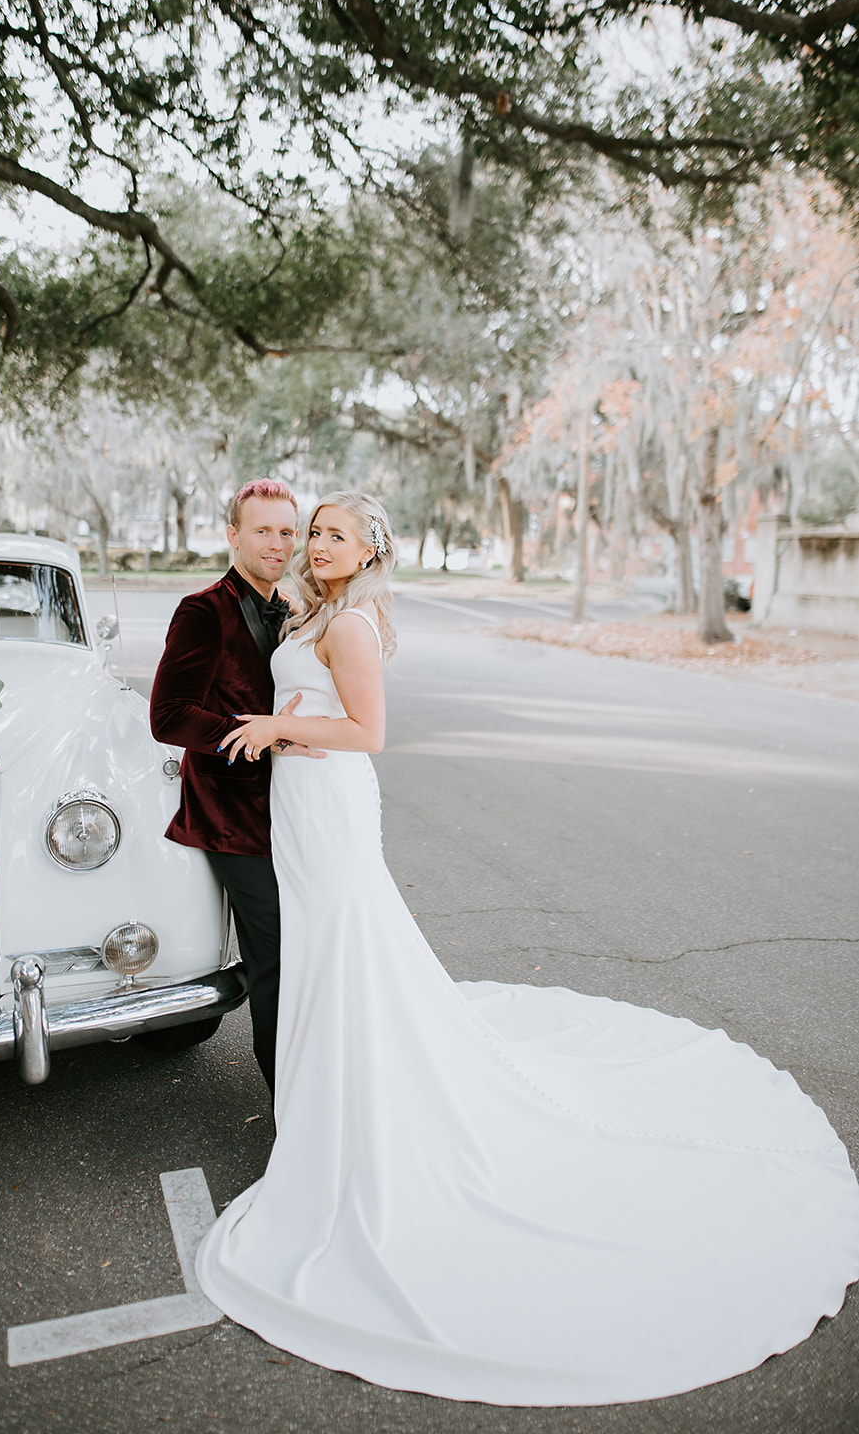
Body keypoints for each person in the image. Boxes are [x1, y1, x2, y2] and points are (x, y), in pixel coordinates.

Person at [194, 490, 859, 1408]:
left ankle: (355, 1116)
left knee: (350, 953)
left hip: (333, 803)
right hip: (300, 813)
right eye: (314, 531)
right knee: (323, 960)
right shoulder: (312, 610)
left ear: (368, 551)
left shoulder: (350, 622)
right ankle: (321, 1104)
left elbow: (370, 734)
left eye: (333, 534)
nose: (316, 542)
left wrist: (277, 728)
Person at [150, 478, 321, 1098]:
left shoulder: (297, 607)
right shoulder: (203, 610)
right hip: (233, 815)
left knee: (311, 947)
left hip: (297, 807)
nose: (277, 544)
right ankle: (289, 1103)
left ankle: (316, 1081)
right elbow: (168, 716)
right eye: (262, 530)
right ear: (233, 536)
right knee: (275, 959)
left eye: (286, 531)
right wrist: (265, 737)